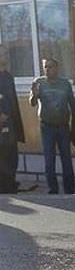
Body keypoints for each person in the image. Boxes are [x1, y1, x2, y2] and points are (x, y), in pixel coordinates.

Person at [29, 58, 75, 194]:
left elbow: (72, 104)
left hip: (63, 127)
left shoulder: (65, 84)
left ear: (57, 68)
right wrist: (34, 95)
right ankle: (52, 189)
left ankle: (69, 190)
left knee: (66, 159)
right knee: (49, 160)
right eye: (45, 67)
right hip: (47, 127)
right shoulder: (39, 82)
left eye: (50, 67)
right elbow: (32, 103)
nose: (48, 69)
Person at [0, 45, 25, 193]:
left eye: (6, 53)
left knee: (11, 155)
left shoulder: (8, 76)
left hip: (11, 123)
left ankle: (10, 183)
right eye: (2, 53)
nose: (5, 56)